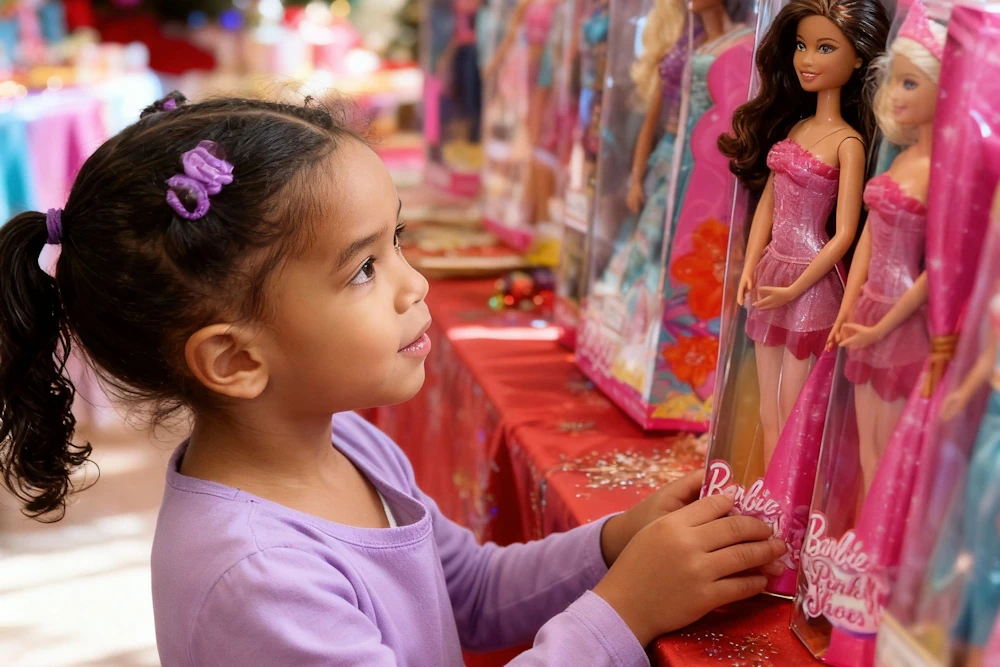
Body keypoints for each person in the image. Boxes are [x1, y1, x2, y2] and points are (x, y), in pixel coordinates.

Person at [0, 92, 786, 666]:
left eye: (397, 236)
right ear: (236, 360)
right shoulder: (258, 574)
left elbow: (470, 590)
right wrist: (625, 610)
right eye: (364, 268)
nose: (416, 285)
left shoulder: (346, 441)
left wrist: (617, 540)